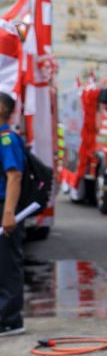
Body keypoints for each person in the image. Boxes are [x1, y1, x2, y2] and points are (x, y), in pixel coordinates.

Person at [0, 91, 26, 337]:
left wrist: (8, 213)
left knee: (6, 264)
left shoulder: (7, 138)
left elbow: (14, 176)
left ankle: (10, 320)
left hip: (4, 207)